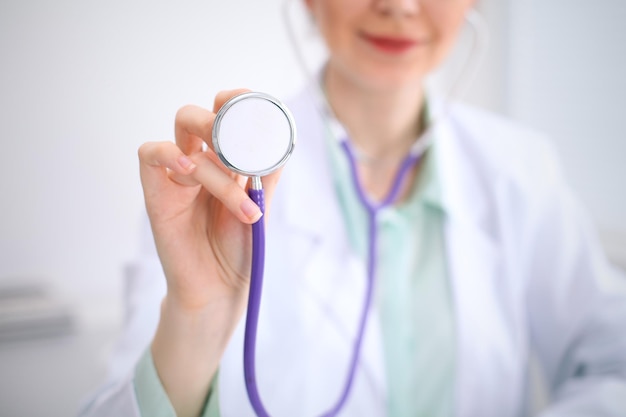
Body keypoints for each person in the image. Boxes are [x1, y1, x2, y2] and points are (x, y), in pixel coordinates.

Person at [79, 0, 626, 416]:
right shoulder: (207, 189)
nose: (398, 6)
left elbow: (612, 368)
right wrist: (194, 318)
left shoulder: (523, 170)